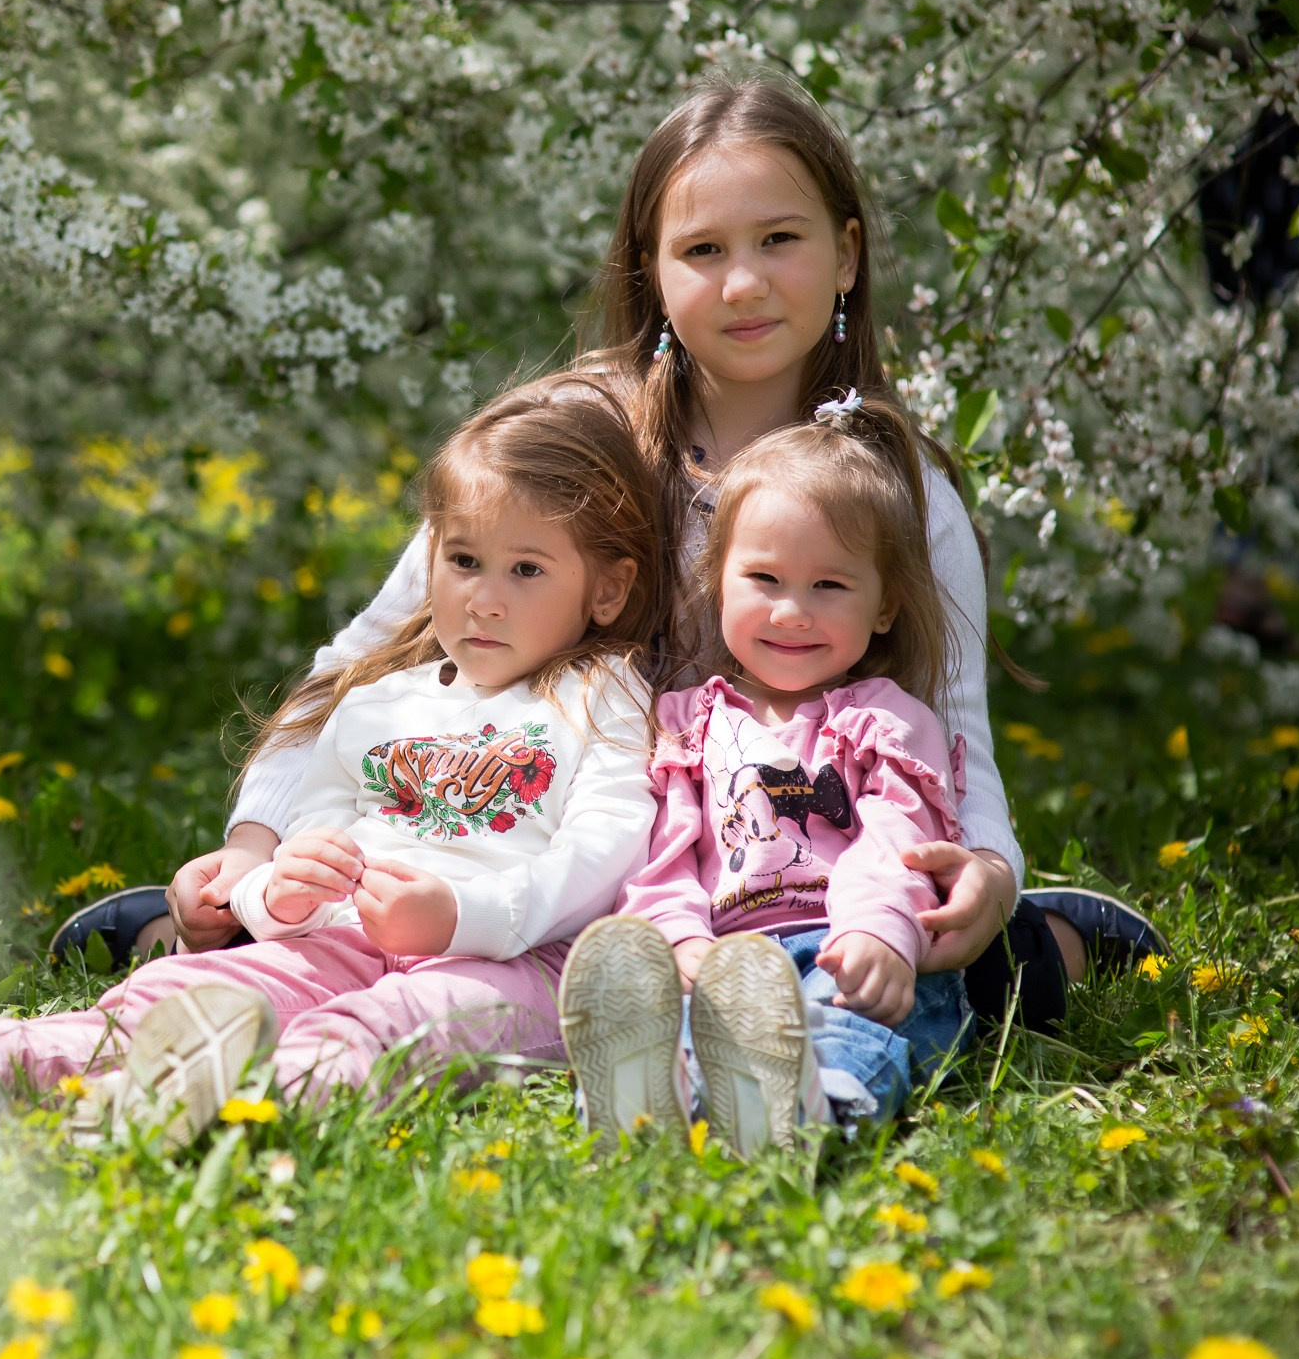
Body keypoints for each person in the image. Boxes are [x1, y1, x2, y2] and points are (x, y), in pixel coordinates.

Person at [67, 73, 1160, 1026]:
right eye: (702, 250)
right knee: (363, 931)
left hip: (777, 867)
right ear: (651, 270)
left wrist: (993, 879)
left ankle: (1051, 943)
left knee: (898, 971)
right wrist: (258, 844)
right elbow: (370, 658)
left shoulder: (895, 485)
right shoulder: (574, 438)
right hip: (538, 846)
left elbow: (955, 732)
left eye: (780, 239)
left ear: (847, 255)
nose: (743, 283)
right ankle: (210, 932)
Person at [0, 377, 668, 1143]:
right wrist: (274, 895)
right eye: (463, 563)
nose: (485, 600)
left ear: (610, 588)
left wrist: (467, 913)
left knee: (381, 1031)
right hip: (338, 938)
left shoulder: (601, 697)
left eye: (527, 570)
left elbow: (604, 849)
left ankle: (203, 1112)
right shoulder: (382, 706)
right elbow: (315, 830)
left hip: (518, 961)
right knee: (184, 993)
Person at [561, 394, 975, 1155]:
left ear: (884, 607)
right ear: (719, 583)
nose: (792, 613)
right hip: (723, 960)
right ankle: (657, 1101)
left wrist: (879, 934)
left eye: (830, 586)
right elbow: (662, 855)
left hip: (846, 946)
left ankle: (816, 1107)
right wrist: (679, 942)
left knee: (850, 1020)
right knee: (694, 1021)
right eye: (765, 580)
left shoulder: (886, 720)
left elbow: (899, 843)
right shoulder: (684, 725)